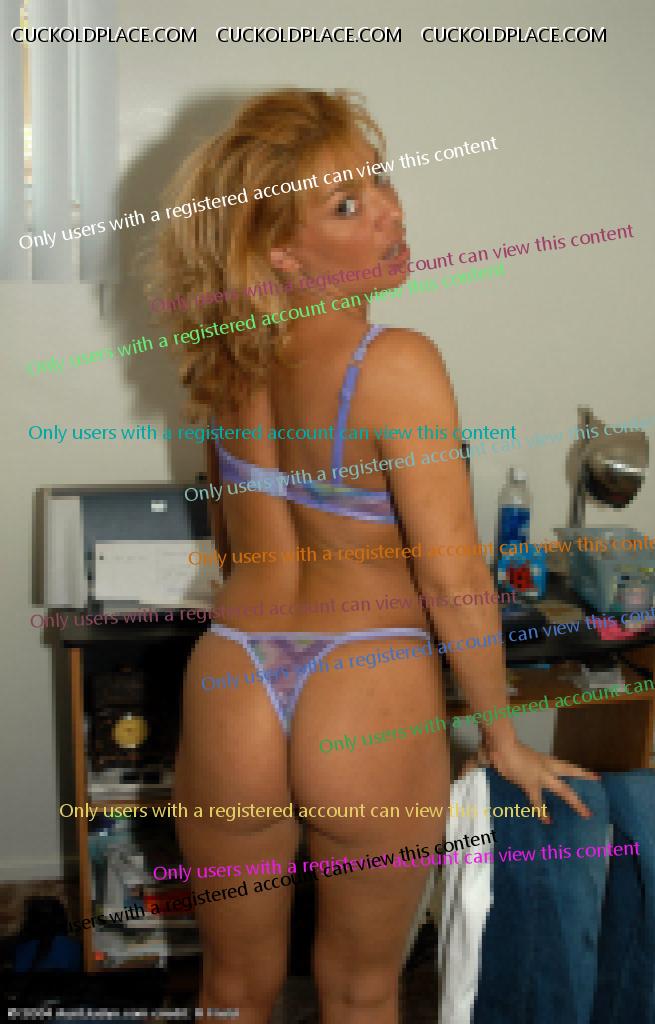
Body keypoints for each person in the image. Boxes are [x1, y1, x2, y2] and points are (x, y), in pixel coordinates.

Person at [152, 88, 596, 1023]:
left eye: (379, 182)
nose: (389, 212)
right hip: (365, 683)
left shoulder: (227, 365)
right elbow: (453, 576)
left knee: (229, 992)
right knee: (360, 994)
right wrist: (501, 740)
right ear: (283, 251)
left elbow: (234, 545)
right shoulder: (394, 360)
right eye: (346, 205)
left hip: (233, 678)